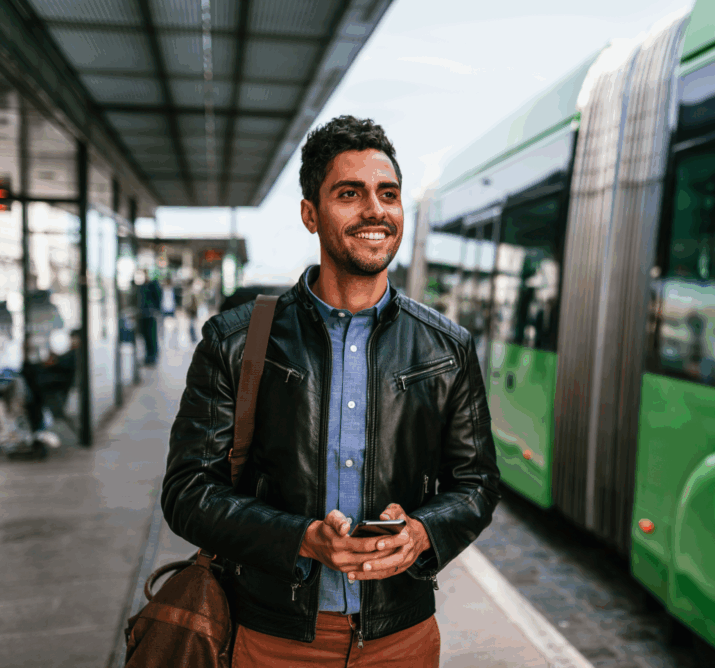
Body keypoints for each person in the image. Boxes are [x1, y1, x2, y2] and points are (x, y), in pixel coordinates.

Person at [161, 115, 500, 667]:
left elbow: (477, 482)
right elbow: (187, 492)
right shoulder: (234, 341)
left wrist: (421, 534)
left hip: (402, 638)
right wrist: (300, 539)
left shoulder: (447, 347)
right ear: (310, 215)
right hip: (272, 639)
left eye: (387, 194)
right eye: (350, 193)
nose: (375, 210)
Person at [136, 271, 161, 366]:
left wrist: (155, 310)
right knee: (145, 336)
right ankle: (148, 355)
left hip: (151, 315)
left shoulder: (152, 285)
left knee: (151, 336)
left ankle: (152, 356)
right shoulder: (141, 287)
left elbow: (157, 298)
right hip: (143, 315)